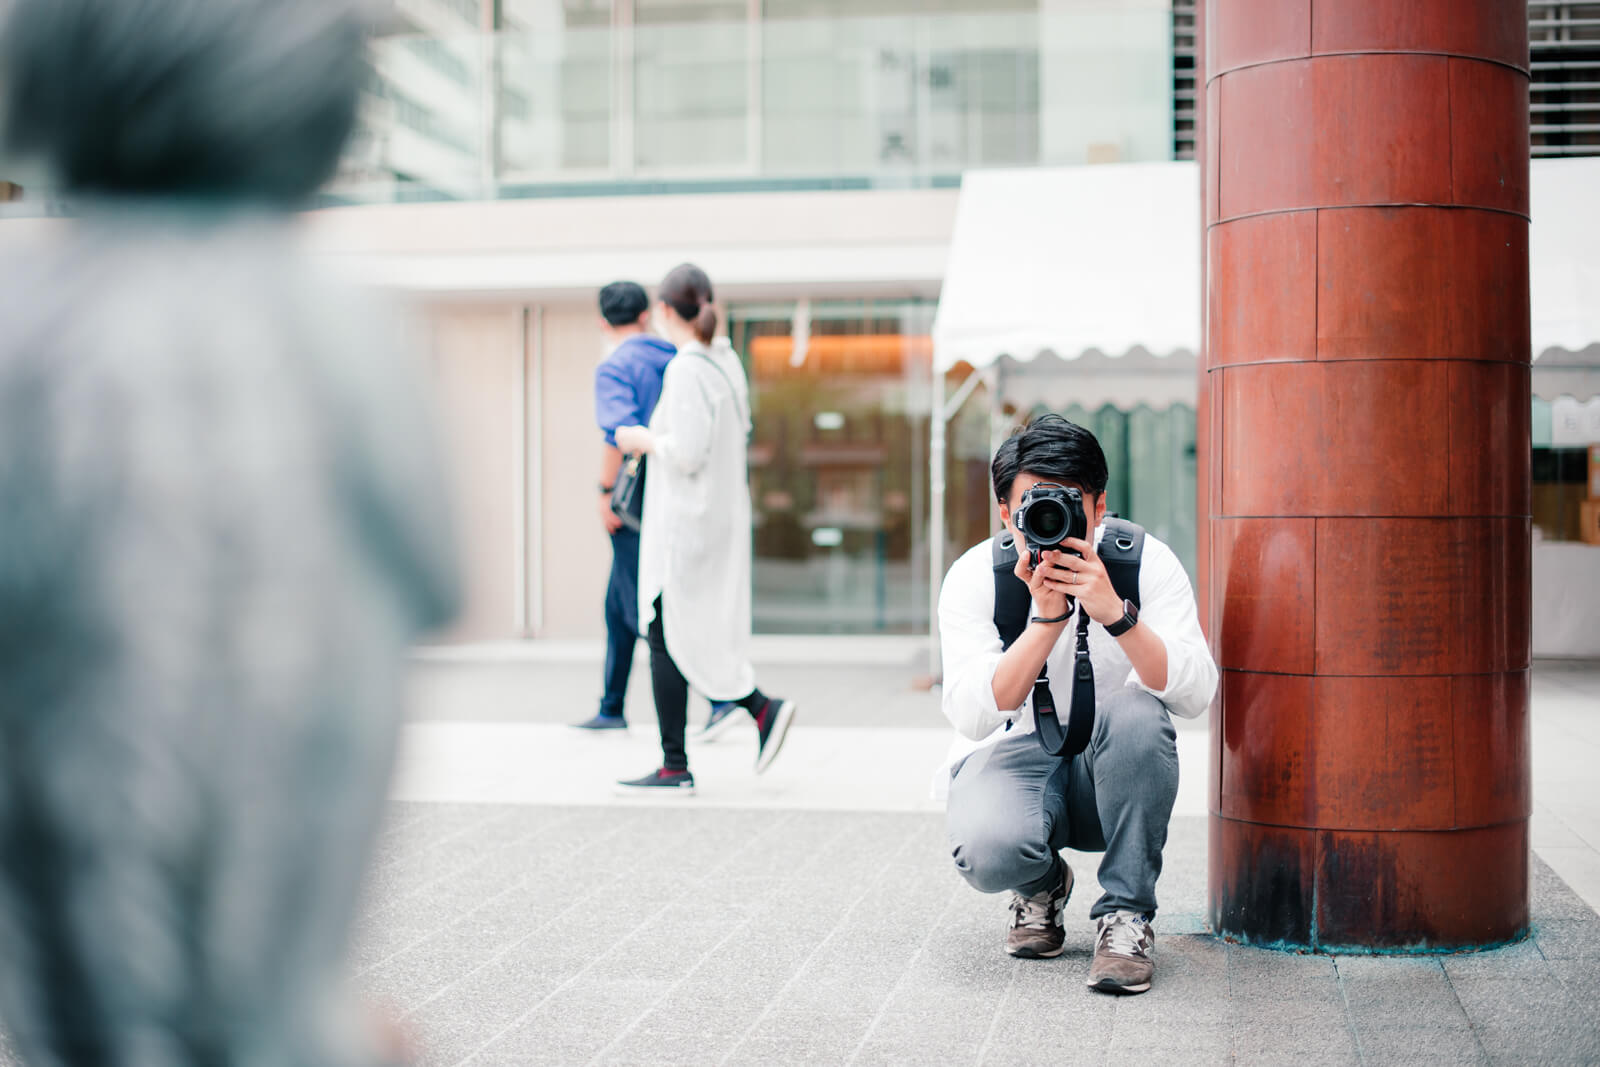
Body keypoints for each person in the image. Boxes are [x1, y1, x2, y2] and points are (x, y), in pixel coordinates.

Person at [0, 0, 458, 1063]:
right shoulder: (344, 329)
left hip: (65, 1008)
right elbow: (434, 574)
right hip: (284, 999)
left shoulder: (22, 324)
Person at [936, 415, 1216, 995]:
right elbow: (970, 712)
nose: (1052, 524)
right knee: (988, 849)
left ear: (1100, 505)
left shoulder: (1144, 564)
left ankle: (1127, 917)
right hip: (1016, 762)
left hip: (1113, 775)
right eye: (1032, 509)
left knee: (1140, 712)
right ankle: (1040, 884)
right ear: (1004, 513)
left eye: (1069, 505)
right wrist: (1044, 621)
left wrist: (1115, 613)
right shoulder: (977, 577)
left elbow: (1196, 694)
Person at [612, 263, 796, 793]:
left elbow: (688, 453)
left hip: (685, 525)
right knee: (684, 630)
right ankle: (741, 721)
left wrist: (642, 439)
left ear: (666, 311)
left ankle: (692, 753)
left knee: (665, 630)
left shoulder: (688, 368)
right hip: (716, 519)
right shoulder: (726, 362)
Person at [575, 280, 677, 732]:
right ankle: (611, 706)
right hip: (674, 492)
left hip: (634, 503)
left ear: (603, 322)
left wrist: (603, 493)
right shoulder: (673, 358)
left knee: (645, 608)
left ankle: (728, 701)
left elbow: (620, 435)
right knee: (618, 606)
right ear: (645, 315)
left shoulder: (615, 367)